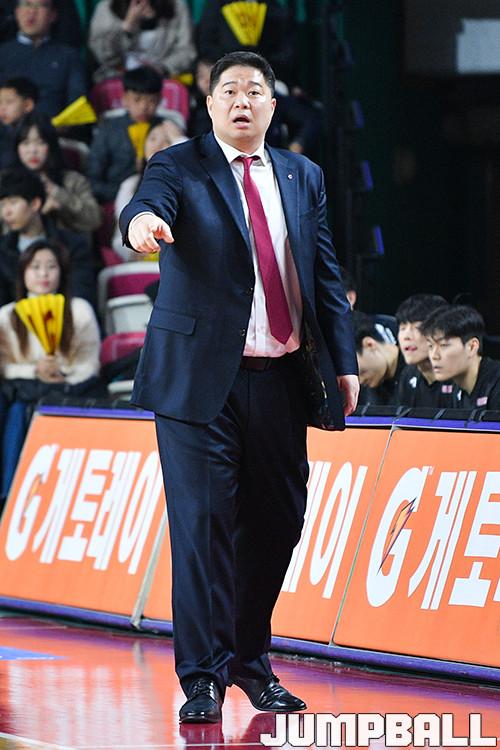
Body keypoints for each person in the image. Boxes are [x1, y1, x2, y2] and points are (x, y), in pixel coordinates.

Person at [119, 51, 359, 723]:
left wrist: (342, 362)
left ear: (273, 107)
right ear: (210, 103)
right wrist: (142, 226)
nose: (242, 101)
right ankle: (203, 676)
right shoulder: (178, 165)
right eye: (229, 90)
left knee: (279, 522)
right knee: (203, 527)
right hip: (199, 384)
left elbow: (324, 273)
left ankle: (251, 661)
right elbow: (145, 205)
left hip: (280, 376)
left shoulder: (303, 174)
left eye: (255, 90)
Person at [0, 239, 103, 495]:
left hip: (72, 390)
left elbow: (90, 362)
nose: (43, 274)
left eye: (51, 266)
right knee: (18, 411)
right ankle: (10, 491)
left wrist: (63, 374)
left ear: (62, 271)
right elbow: (5, 366)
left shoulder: (79, 310)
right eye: (35, 267)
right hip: (24, 393)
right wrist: (35, 371)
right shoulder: (7, 315)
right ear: (23, 272)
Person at [0, 168, 97, 308]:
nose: (6, 212)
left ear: (35, 204)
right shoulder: (2, 251)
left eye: (13, 203)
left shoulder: (73, 245)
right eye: (2, 205)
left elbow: (82, 295)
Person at [13, 111, 102, 234]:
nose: (32, 151)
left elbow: (94, 220)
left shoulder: (73, 180)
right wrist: (41, 213)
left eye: (40, 143)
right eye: (26, 143)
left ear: (51, 145)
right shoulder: (7, 182)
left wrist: (57, 192)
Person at [87, 66, 166, 203]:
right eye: (137, 99)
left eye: (151, 100)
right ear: (124, 99)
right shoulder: (109, 129)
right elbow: (93, 177)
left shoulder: (165, 128)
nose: (143, 106)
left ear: (160, 100)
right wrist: (120, 194)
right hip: (113, 196)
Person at [112, 119, 186, 259]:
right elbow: (119, 238)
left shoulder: (190, 180)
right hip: (139, 259)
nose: (159, 146)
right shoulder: (130, 185)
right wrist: (136, 250)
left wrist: (180, 140)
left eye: (168, 141)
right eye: (153, 139)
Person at [0, 0, 86, 118]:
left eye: (40, 6)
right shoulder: (3, 54)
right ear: (17, 12)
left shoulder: (68, 56)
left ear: (53, 15)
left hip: (55, 127)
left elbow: (78, 102)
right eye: (26, 4)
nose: (31, 11)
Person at [195, 1, 298, 89]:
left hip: (265, 74)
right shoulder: (216, 5)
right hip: (226, 73)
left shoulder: (272, 8)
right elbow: (207, 45)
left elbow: (283, 50)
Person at [88, 0, 195, 83]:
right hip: (117, 79)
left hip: (162, 80)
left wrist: (163, 68)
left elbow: (186, 51)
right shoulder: (107, 8)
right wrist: (126, 28)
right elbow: (103, 56)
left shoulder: (177, 7)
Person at [421, 304, 500, 410]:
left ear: (472, 347)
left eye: (444, 345)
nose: (434, 356)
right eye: (430, 346)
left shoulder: (496, 384)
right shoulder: (451, 387)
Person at [395, 293, 455, 408]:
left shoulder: (458, 377)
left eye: (417, 328)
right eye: (402, 328)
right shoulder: (408, 375)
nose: (406, 336)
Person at [354, 311, 403, 405]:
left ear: (369, 344)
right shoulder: (370, 388)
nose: (359, 381)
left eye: (359, 372)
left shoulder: (419, 371)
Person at [0, 76, 38, 169]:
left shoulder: (39, 130)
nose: (2, 108)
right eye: (0, 103)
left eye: (9, 102)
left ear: (28, 105)